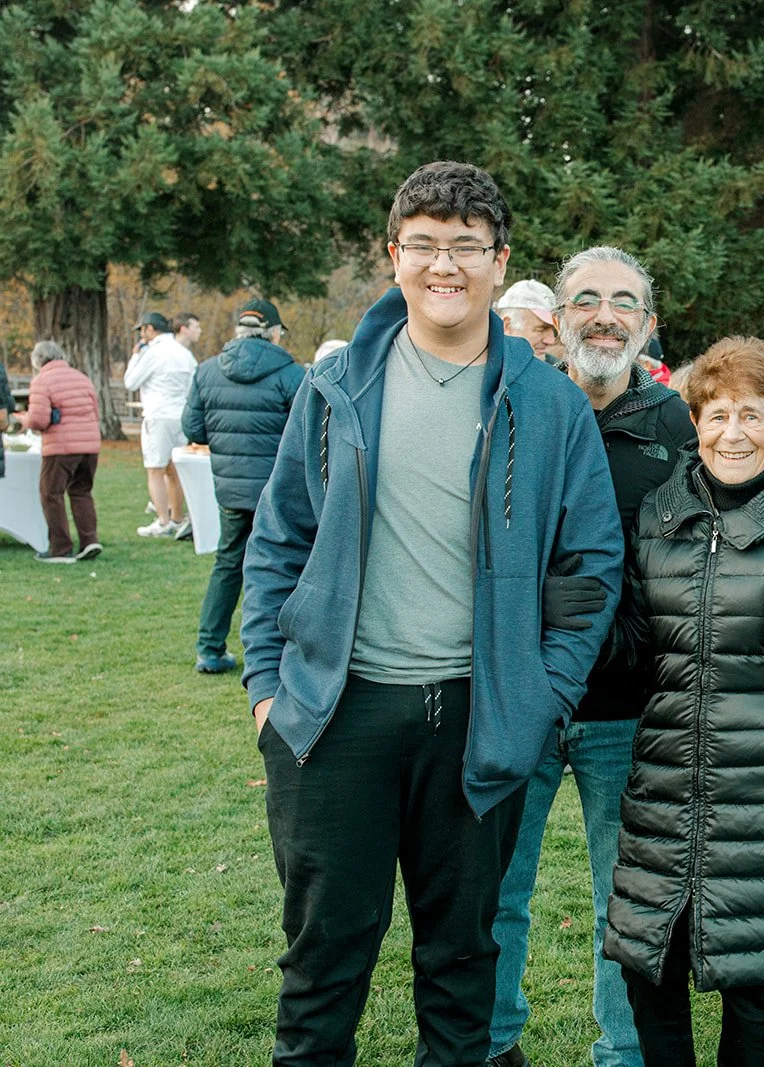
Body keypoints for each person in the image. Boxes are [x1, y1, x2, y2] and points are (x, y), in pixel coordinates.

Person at [240, 160, 623, 1065]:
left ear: (500, 261)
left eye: (465, 246)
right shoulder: (335, 388)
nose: (443, 264)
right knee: (323, 959)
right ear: (394, 255)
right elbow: (277, 541)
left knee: (462, 967)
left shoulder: (550, 404)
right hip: (336, 715)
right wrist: (266, 689)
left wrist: (541, 697)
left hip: (477, 718)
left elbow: (590, 569)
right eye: (423, 244)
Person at [604, 336, 764, 1066]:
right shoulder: (661, 512)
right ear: (694, 422)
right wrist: (583, 618)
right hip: (666, 788)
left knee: (754, 991)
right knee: (645, 966)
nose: (733, 433)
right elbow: (640, 647)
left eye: (752, 415)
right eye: (717, 414)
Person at [487, 247, 695, 1067]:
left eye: (623, 301)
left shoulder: (678, 426)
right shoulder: (515, 407)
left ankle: (623, 1052)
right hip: (521, 699)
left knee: (628, 898)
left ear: (648, 323)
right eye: (585, 300)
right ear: (557, 318)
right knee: (497, 888)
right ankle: (492, 1041)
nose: (604, 316)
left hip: (630, 709)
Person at [181, 299, 306, 674]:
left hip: (232, 490)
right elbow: (306, 430)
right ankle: (284, 651)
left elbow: (194, 429)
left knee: (228, 563)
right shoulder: (291, 374)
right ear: (273, 333)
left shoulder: (207, 371)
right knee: (283, 568)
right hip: (277, 491)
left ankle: (209, 648)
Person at [18, 341, 102, 563]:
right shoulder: (82, 378)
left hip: (61, 446)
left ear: (38, 360)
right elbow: (95, 411)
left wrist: (24, 419)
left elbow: (39, 419)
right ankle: (89, 540)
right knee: (81, 491)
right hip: (90, 444)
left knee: (51, 494)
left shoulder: (42, 381)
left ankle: (60, 547)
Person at [125, 310, 197, 539]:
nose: (141, 335)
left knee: (155, 470)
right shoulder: (183, 352)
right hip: (180, 415)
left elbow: (131, 382)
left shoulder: (152, 352)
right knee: (174, 470)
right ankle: (177, 518)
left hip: (158, 416)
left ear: (150, 329)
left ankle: (164, 521)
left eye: (142, 330)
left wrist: (135, 356)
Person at [497, 278, 564, 364]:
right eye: (541, 329)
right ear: (507, 326)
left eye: (553, 330)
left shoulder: (556, 369)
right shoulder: (483, 365)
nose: (551, 340)